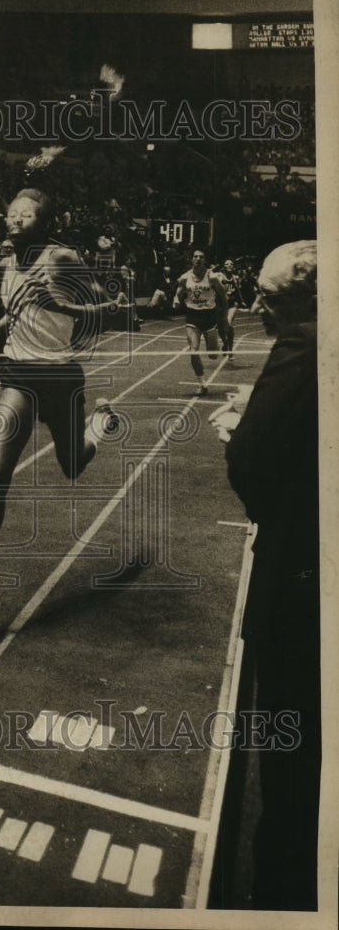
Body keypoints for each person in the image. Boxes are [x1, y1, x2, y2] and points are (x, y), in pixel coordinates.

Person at [0, 189, 126, 621]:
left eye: (25, 215)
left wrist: (59, 303)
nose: (14, 220)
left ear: (44, 222)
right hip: (18, 374)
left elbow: (108, 311)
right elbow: (17, 308)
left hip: (60, 376)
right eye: (10, 213)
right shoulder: (6, 262)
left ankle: (100, 423)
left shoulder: (62, 258)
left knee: (72, 464)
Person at [210, 241, 320, 910]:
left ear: (304, 298)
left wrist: (241, 425)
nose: (257, 305)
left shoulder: (306, 344)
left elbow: (254, 467)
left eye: (269, 297)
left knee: (290, 773)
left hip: (301, 585)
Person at [172, 248, 228, 396]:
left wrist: (224, 317)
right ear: (192, 260)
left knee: (213, 355)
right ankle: (202, 384)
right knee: (193, 351)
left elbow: (223, 297)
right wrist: (176, 300)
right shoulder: (185, 277)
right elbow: (178, 293)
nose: (197, 259)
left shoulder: (213, 277)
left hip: (210, 317)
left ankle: (217, 344)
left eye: (201, 257)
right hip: (193, 317)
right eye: (195, 257)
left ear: (205, 260)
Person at [216, 258, 242, 360]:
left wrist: (241, 300)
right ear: (224, 266)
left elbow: (238, 291)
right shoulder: (219, 276)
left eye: (231, 264)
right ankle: (225, 343)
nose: (229, 265)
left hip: (232, 305)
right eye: (227, 264)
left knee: (228, 323)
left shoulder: (236, 278)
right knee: (221, 328)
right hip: (220, 305)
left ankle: (230, 350)